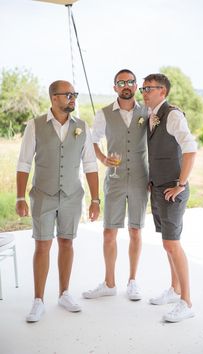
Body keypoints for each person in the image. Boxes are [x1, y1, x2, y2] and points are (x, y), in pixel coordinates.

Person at [16, 80, 100, 322]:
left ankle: (64, 293)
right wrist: (21, 196)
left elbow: (91, 165)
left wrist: (95, 200)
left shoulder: (82, 127)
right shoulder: (34, 126)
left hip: (72, 196)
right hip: (42, 195)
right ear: (54, 98)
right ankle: (38, 300)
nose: (73, 98)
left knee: (67, 243)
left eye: (75, 94)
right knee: (42, 246)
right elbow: (24, 163)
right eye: (68, 94)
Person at [82, 69, 149, 301]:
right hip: (116, 179)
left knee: (135, 230)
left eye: (130, 81)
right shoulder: (103, 114)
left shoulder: (148, 112)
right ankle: (109, 283)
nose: (126, 85)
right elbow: (91, 140)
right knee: (109, 232)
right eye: (121, 82)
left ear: (135, 85)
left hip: (141, 179)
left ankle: (132, 281)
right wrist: (102, 158)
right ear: (115, 87)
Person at [140, 73, 197, 322]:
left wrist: (180, 184)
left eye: (149, 88)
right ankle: (174, 290)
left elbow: (190, 150)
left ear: (162, 92)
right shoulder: (151, 116)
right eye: (143, 88)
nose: (144, 92)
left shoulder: (172, 114)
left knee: (173, 244)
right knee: (167, 243)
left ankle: (187, 302)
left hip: (173, 191)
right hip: (159, 188)